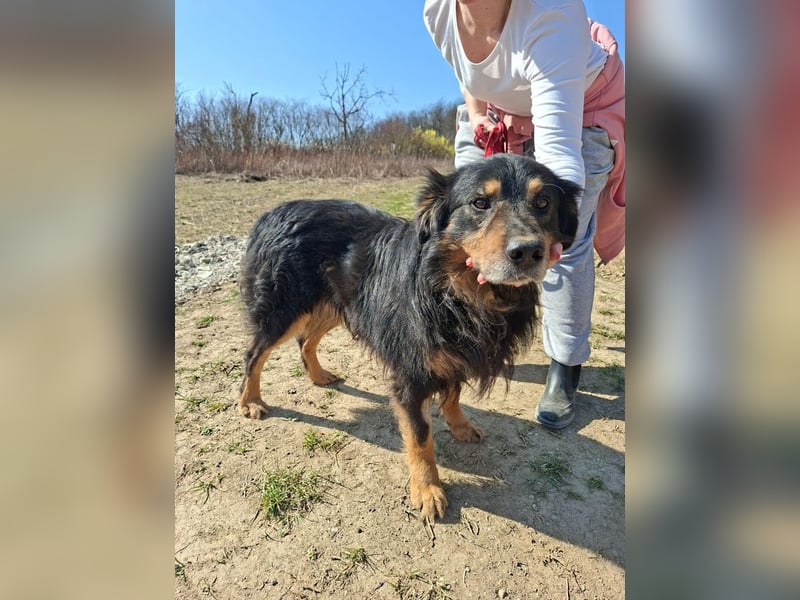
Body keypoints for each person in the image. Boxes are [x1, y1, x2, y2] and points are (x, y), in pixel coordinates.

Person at [423, 0, 625, 429]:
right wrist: (478, 116)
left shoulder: (551, 12)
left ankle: (565, 365)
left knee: (564, 246)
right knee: (466, 227)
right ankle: (466, 336)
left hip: (582, 109)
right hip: (500, 112)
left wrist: (551, 235)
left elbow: (560, 156)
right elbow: (471, 75)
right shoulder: (436, 12)